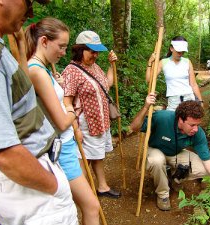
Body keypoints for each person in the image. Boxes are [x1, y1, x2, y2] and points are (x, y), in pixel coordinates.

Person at [0, 1, 78, 225]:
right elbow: (2, 152)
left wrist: (19, 43)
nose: (30, 12)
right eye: (27, 2)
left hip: (36, 178)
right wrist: (54, 186)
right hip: (34, 186)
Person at [25, 18, 100, 225]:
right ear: (44, 41)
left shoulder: (44, 69)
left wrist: (57, 86)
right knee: (92, 207)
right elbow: (61, 120)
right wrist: (72, 111)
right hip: (62, 148)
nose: (64, 52)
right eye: (61, 46)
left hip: (66, 144)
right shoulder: (36, 71)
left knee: (84, 204)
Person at [130, 93, 210, 211]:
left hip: (176, 153)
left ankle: (176, 178)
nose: (196, 129)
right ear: (180, 120)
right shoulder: (162, 118)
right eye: (192, 125)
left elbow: (207, 160)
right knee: (156, 161)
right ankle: (163, 194)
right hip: (156, 150)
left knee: (204, 169)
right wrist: (145, 107)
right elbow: (134, 127)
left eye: (197, 125)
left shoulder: (197, 133)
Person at [62, 30, 121, 198]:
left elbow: (107, 84)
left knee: (97, 156)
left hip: (100, 122)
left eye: (97, 51)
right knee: (84, 160)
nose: (95, 55)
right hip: (85, 124)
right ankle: (84, 194)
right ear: (80, 49)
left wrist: (111, 65)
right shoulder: (72, 71)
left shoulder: (94, 67)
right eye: (91, 51)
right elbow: (67, 102)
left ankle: (102, 186)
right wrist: (76, 129)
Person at [146, 36, 203, 111]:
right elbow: (149, 80)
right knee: (173, 121)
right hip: (173, 101)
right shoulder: (163, 62)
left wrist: (200, 101)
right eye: (178, 51)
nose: (180, 53)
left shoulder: (187, 62)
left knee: (189, 121)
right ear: (171, 48)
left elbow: (193, 84)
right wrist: (150, 62)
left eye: (182, 51)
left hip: (189, 98)